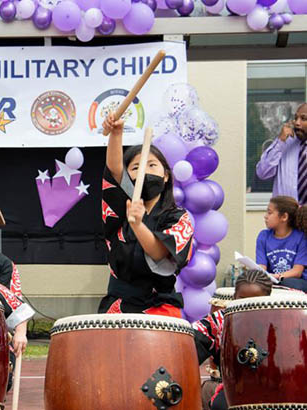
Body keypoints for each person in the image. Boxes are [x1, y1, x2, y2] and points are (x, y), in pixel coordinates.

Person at [98, 114, 194, 317]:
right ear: (128, 178)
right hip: (118, 307)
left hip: (160, 310)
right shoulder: (119, 210)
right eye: (135, 167)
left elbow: (160, 253)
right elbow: (115, 170)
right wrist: (116, 133)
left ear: (166, 175)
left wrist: (138, 225)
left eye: (152, 165)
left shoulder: (179, 218)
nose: (144, 171)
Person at [192, 270, 273, 410]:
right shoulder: (220, 321)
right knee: (221, 404)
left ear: (267, 299)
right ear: (234, 297)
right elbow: (192, 347)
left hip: (271, 388)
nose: (248, 306)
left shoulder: (279, 322)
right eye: (242, 299)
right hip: (233, 389)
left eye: (255, 301)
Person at [256, 103, 307, 204]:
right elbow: (262, 172)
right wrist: (280, 141)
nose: (297, 123)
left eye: (303, 119)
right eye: (295, 118)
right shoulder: (284, 143)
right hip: (285, 217)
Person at [256, 196, 307, 291]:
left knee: (286, 282)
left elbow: (297, 271)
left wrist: (275, 276)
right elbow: (261, 267)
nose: (265, 216)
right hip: (273, 280)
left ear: (284, 217)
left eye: (270, 212)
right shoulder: (263, 236)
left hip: (297, 282)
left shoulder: (301, 237)